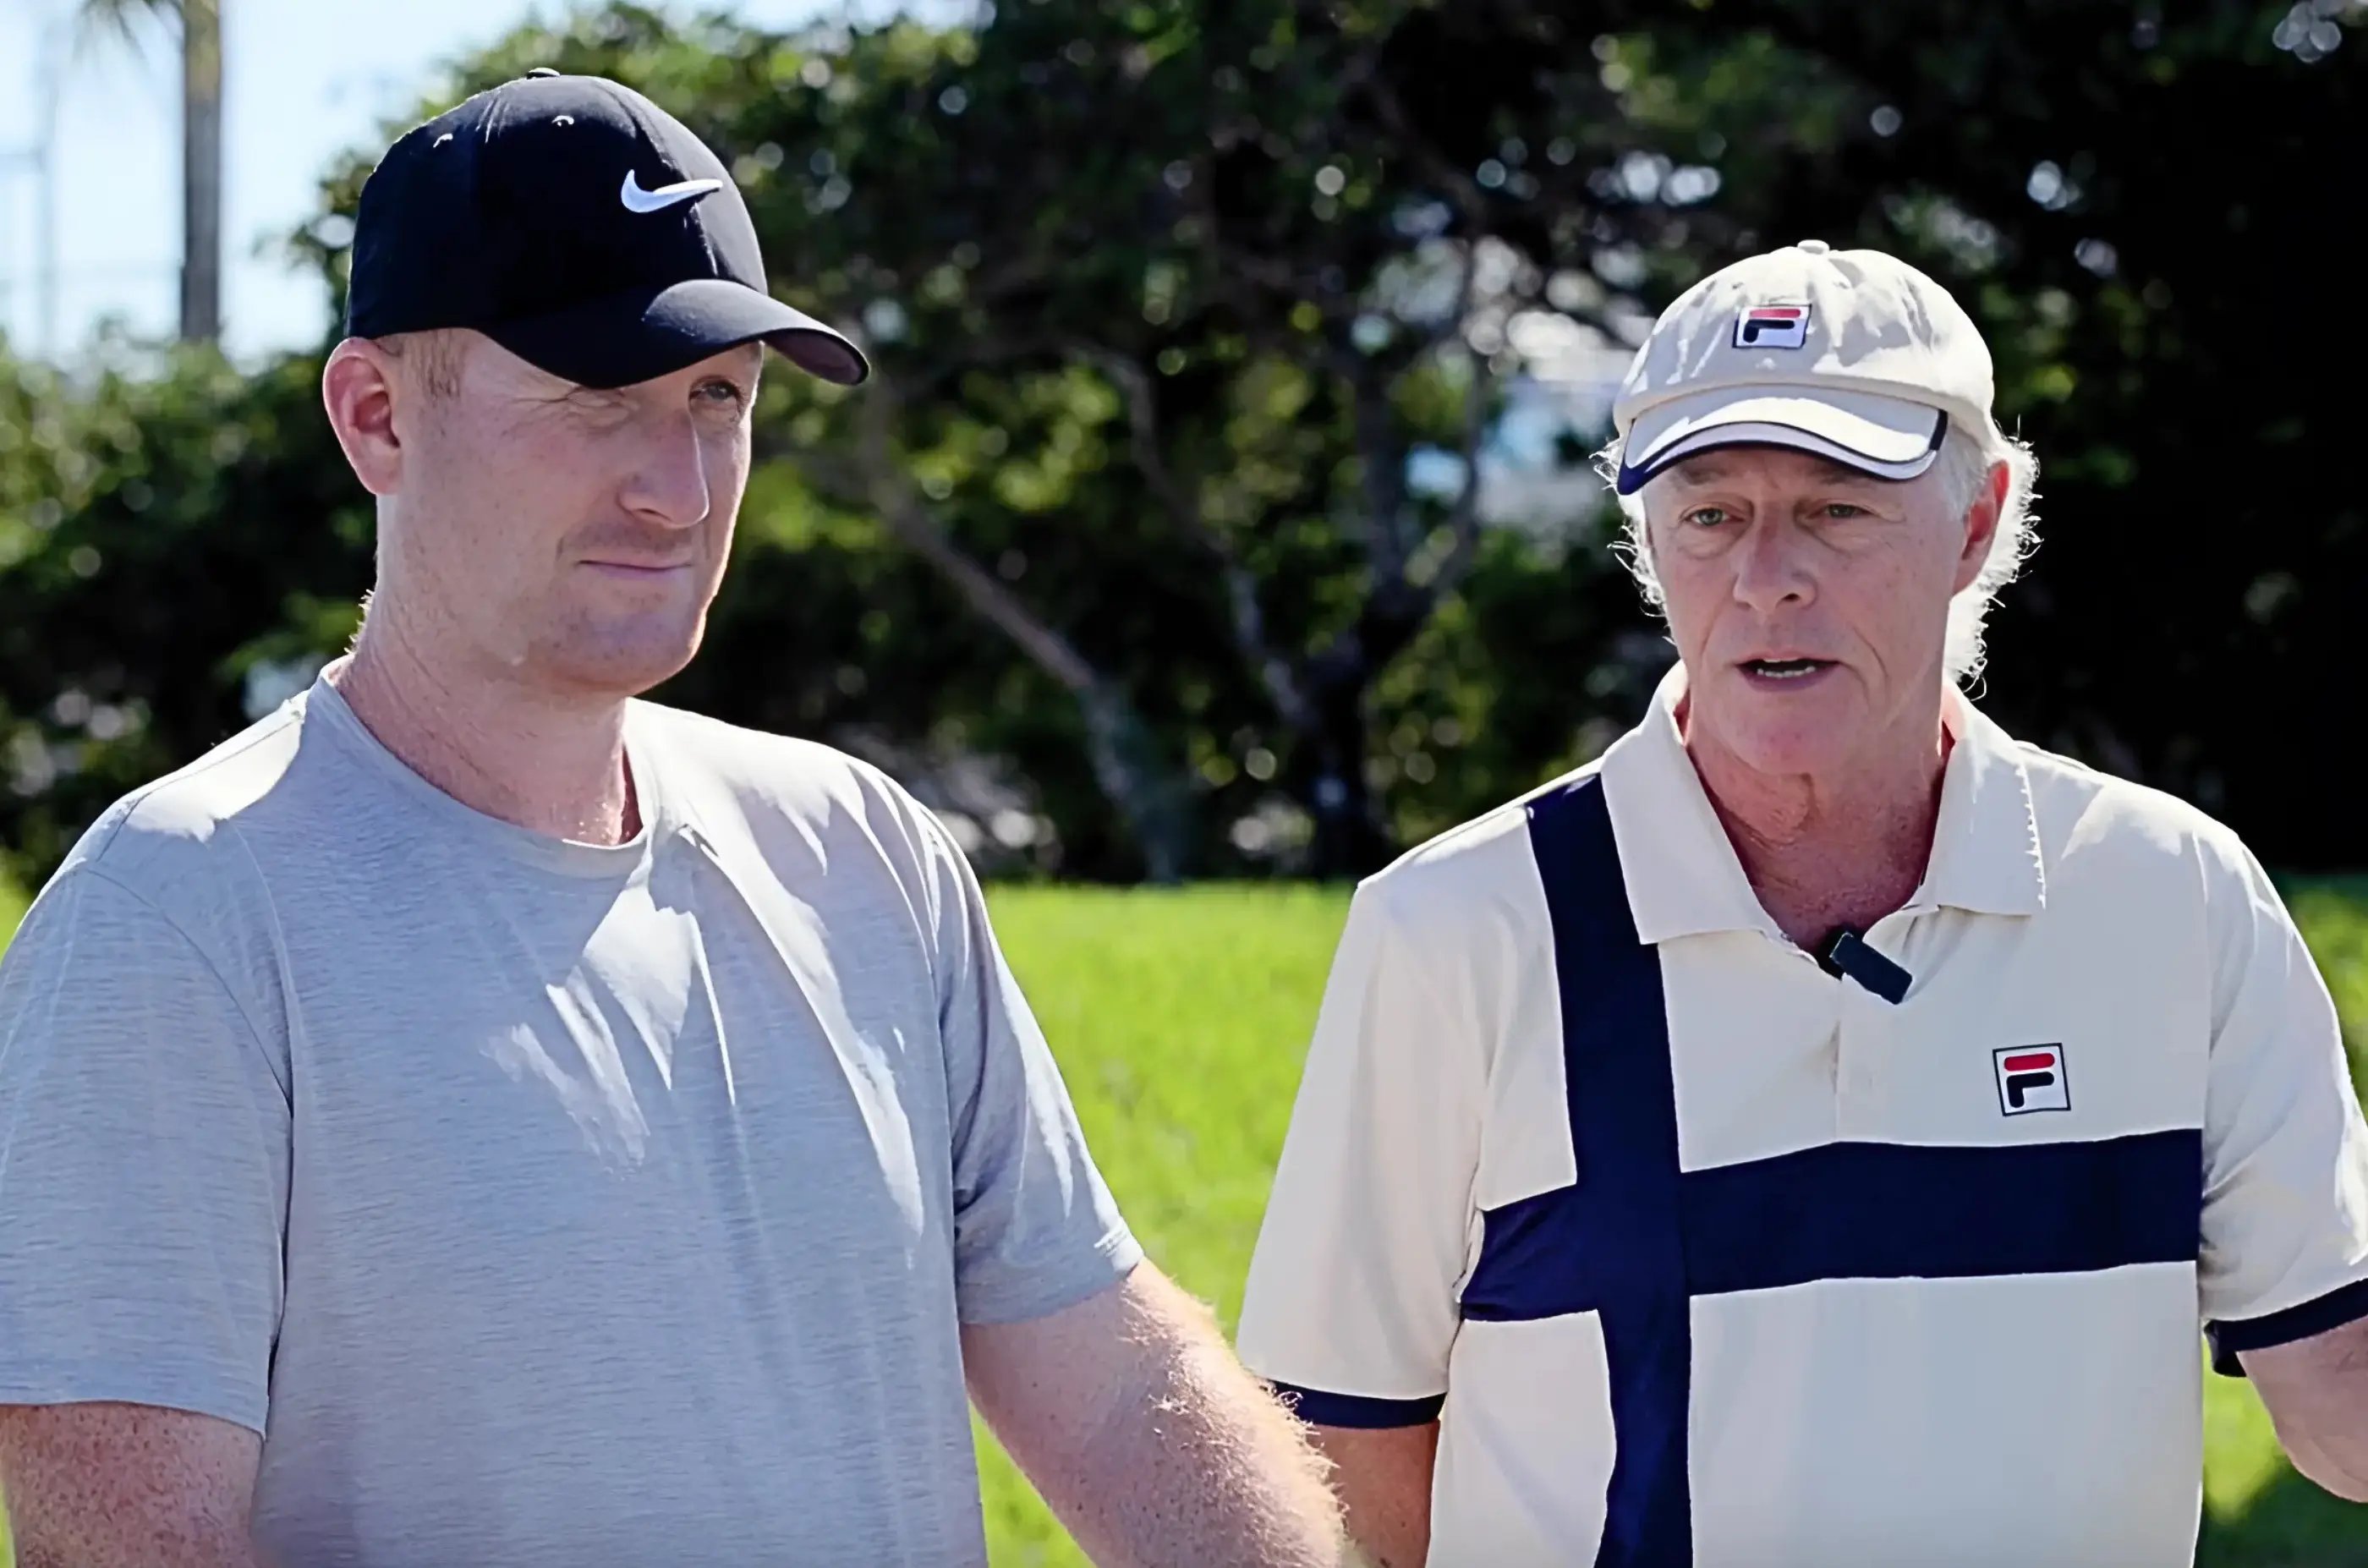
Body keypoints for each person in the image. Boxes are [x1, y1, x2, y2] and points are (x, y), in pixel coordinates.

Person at [0, 71, 1341, 1568]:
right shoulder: (177, 918)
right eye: (598, 398)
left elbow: (1121, 1388)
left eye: (719, 400)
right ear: (374, 414)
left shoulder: (863, 852)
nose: (682, 488)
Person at [1236, 238, 2368, 1566]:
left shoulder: (2174, 895)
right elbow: (1339, 1459)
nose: (1767, 576)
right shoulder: (1454, 931)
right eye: (1710, 514)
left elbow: (2341, 1395)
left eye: (1839, 506)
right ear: (1649, 540)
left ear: (1978, 519)